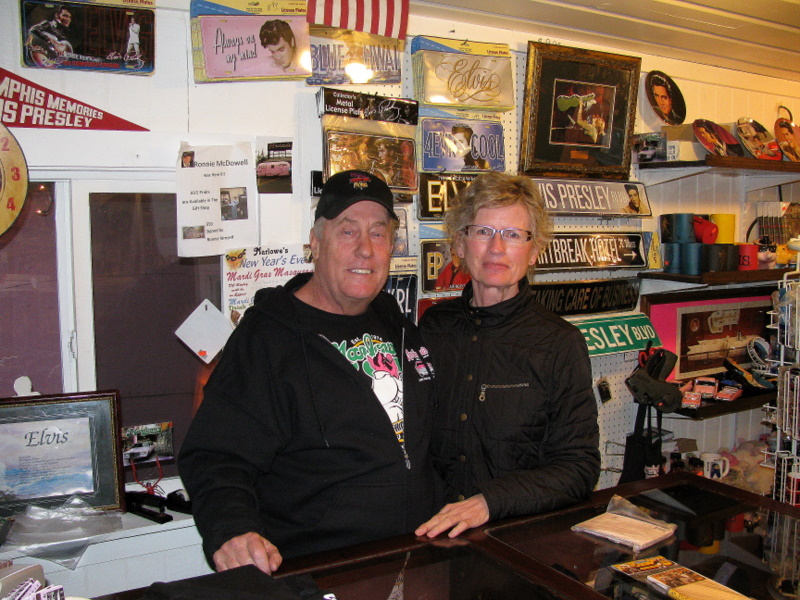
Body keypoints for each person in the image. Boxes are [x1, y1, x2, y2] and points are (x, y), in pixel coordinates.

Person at [179, 170, 441, 574]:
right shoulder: (268, 336)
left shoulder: (398, 325)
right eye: (347, 232)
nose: (365, 250)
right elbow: (216, 455)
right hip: (321, 569)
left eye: (378, 233)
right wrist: (232, 530)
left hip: (417, 559)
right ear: (315, 244)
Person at [415, 172, 600, 539]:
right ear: (460, 244)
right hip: (432, 538)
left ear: (533, 251)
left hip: (517, 541)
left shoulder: (559, 344)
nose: (496, 248)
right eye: (483, 231)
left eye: (513, 235)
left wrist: (490, 501)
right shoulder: (433, 328)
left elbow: (579, 467)